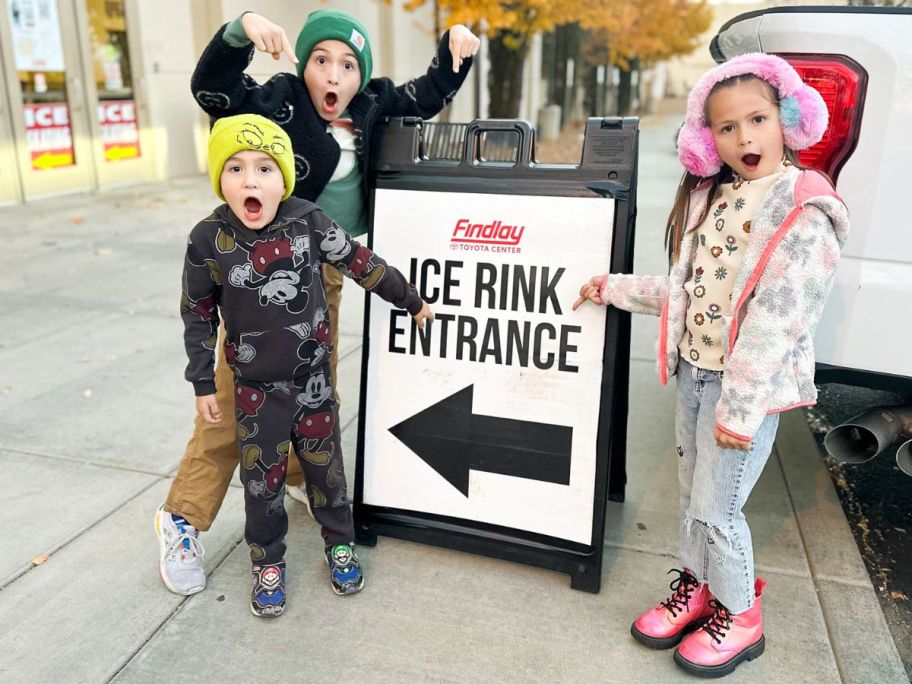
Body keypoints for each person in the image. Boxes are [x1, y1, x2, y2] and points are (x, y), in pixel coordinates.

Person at [154, 8, 479, 596]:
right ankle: (182, 518)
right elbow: (212, 89)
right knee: (235, 400)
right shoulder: (278, 100)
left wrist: (454, 54)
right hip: (260, 268)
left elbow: (425, 94)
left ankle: (300, 474)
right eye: (322, 60)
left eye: (349, 65)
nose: (335, 75)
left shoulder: (372, 107)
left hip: (325, 265)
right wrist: (240, 30)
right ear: (304, 64)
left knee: (314, 386)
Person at [574, 53, 848, 677]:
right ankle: (701, 589)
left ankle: (741, 616)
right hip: (698, 375)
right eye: (726, 127)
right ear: (707, 140)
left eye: (758, 118)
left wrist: (742, 409)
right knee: (694, 500)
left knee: (719, 509)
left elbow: (778, 321)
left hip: (741, 389)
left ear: (790, 119)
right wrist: (613, 288)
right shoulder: (712, 197)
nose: (745, 137)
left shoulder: (802, 210)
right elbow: (688, 290)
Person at [180, 113, 432, 616]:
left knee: (327, 475)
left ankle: (340, 543)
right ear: (219, 179)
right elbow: (197, 311)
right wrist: (202, 380)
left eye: (264, 169)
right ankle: (267, 563)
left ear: (284, 178)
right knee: (262, 486)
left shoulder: (307, 221)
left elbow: (361, 262)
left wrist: (410, 299)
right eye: (235, 168)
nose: (250, 179)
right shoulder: (209, 238)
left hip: (312, 382)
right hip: (254, 392)